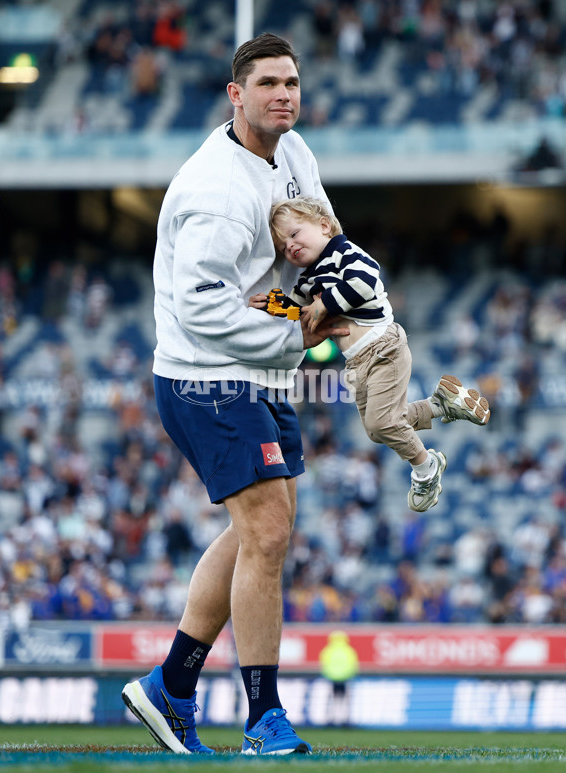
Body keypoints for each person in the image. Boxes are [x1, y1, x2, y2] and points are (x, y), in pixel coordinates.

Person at [121, 33, 349, 756]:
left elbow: (318, 239)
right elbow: (206, 309)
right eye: (269, 83)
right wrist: (303, 325)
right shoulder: (217, 190)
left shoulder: (296, 153)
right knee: (269, 531)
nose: (284, 94)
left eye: (292, 82)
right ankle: (263, 718)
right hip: (206, 375)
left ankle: (170, 687)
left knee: (262, 530)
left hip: (258, 372)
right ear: (236, 94)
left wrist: (343, 286)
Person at [250, 195, 490, 512]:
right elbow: (301, 311)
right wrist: (275, 306)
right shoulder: (309, 278)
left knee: (382, 423)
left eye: (294, 234)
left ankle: (426, 467)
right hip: (357, 361)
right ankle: (439, 404)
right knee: (379, 430)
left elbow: (366, 281)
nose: (290, 247)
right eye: (283, 247)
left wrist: (326, 303)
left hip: (382, 347)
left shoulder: (343, 252)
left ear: (324, 225)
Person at [319, 630, 359, 725]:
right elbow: (353, 665)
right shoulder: (349, 650)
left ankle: (332, 718)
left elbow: (323, 664)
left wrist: (328, 675)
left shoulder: (328, 650)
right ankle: (344, 719)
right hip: (345, 678)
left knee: (333, 699)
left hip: (332, 678)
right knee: (344, 700)